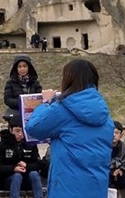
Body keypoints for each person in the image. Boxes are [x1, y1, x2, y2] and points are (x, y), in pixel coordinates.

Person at [25, 59, 113, 198]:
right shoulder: (105, 114)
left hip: (67, 189)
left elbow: (33, 128)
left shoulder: (63, 109)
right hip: (97, 188)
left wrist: (45, 102)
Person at [0, 116, 43, 198]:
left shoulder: (30, 144)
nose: (20, 134)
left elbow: (38, 164)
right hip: (8, 179)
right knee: (17, 176)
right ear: (11, 130)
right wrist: (13, 168)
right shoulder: (2, 146)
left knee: (34, 174)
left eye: (23, 131)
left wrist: (27, 166)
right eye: (17, 131)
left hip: (27, 178)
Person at [2, 55, 42, 122]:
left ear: (29, 68)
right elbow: (7, 99)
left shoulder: (35, 82)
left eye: (24, 66)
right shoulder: (10, 82)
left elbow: (40, 97)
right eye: (19, 66)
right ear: (16, 68)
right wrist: (22, 102)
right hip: (16, 114)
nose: (22, 69)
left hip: (32, 114)